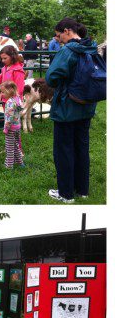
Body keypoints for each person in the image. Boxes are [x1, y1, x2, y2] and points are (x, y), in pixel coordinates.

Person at [45, 17, 100, 203]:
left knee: (64, 150)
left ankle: (66, 194)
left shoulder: (68, 50)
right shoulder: (91, 47)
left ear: (68, 31)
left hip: (67, 108)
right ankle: (82, 189)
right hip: (87, 106)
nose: (58, 38)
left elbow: (51, 77)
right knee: (82, 148)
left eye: (59, 34)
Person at [0, 81, 26, 169]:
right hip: (17, 126)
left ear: (9, 91)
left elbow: (9, 117)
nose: (1, 94)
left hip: (10, 128)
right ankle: (20, 163)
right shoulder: (18, 99)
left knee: (9, 147)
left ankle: (9, 165)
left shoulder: (10, 102)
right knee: (15, 145)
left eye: (3, 92)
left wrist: (6, 128)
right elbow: (20, 111)